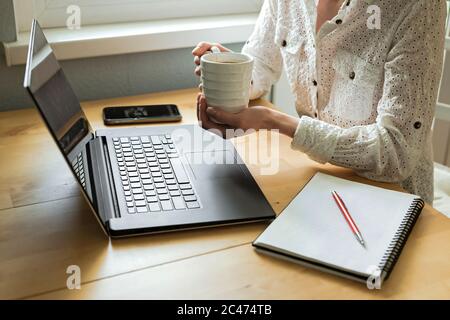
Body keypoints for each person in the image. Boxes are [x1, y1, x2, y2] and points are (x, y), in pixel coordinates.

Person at [192, 0, 447, 204]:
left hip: (394, 201)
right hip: (317, 184)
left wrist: (277, 122)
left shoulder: (418, 6)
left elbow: (396, 153)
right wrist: (233, 75)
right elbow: (262, 63)